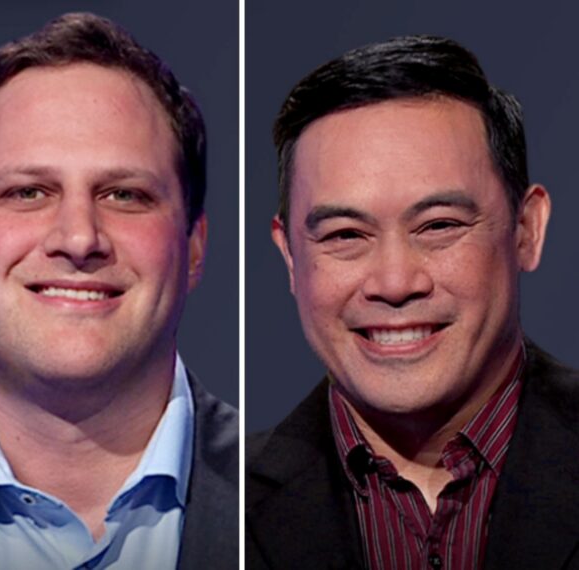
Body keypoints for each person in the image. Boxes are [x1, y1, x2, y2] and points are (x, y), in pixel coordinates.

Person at [0, 12, 239, 570]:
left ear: (195, 246)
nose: (80, 238)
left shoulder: (302, 513)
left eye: (124, 195)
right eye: (28, 192)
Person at [246, 35, 579, 569]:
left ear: (526, 229)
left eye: (439, 226)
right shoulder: (213, 516)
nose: (395, 282)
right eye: (344, 234)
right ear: (290, 257)